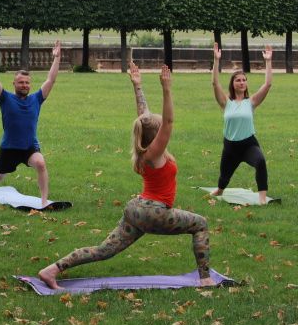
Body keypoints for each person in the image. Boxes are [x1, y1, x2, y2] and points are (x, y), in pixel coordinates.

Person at [38, 63, 215, 289]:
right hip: (155, 212)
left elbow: (144, 117)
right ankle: (205, 278)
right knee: (200, 224)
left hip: (137, 209)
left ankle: (52, 269)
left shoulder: (144, 149)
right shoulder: (154, 153)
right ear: (157, 136)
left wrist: (138, 86)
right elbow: (168, 122)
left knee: (105, 250)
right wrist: (167, 89)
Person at [0, 38, 61, 207]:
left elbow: (50, 80)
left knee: (41, 163)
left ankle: (44, 201)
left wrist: (57, 58)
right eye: (21, 82)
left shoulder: (36, 99)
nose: (24, 85)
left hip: (29, 146)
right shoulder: (5, 98)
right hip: (9, 148)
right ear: (14, 83)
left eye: (27, 83)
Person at [210, 43, 272, 204]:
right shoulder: (226, 102)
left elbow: (267, 85)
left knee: (260, 162)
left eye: (244, 80)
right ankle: (220, 189)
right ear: (233, 84)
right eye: (238, 80)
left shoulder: (251, 102)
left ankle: (262, 198)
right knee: (224, 175)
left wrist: (268, 62)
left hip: (248, 144)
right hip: (230, 146)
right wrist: (216, 61)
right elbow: (215, 84)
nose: (242, 82)